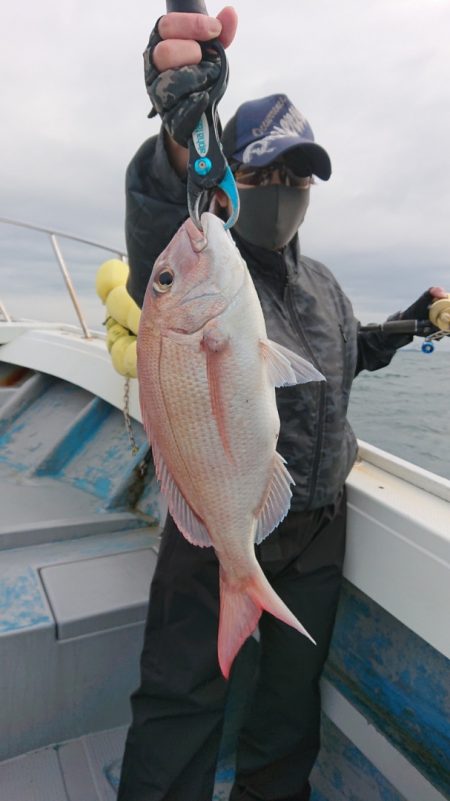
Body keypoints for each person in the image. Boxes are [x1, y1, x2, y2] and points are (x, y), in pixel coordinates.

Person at [117, 9, 446, 801]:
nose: (287, 191)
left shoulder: (325, 284)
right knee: (179, 706)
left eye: (300, 179)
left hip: (317, 539)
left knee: (289, 714)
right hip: (213, 522)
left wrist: (411, 316)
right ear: (234, 180)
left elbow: (344, 355)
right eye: (265, 174)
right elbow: (166, 217)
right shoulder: (213, 262)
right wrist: (179, 134)